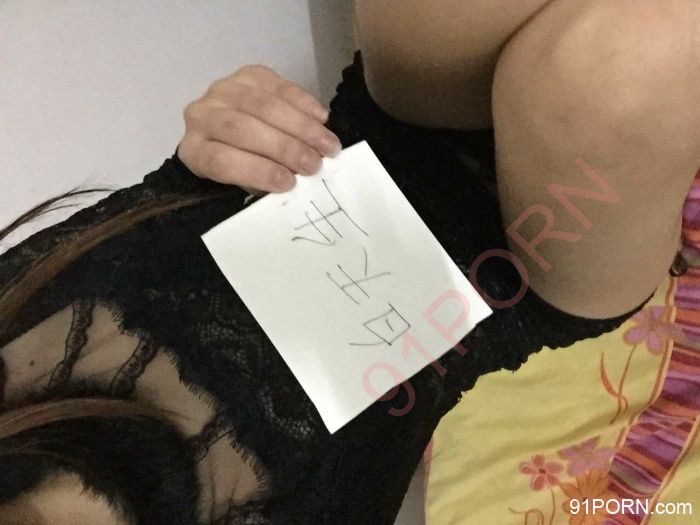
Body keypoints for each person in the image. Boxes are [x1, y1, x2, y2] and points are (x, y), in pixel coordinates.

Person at [0, 2, 697, 523]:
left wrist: (213, 143)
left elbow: (166, 209)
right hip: (512, 276)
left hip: (382, 128)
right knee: (632, 66)